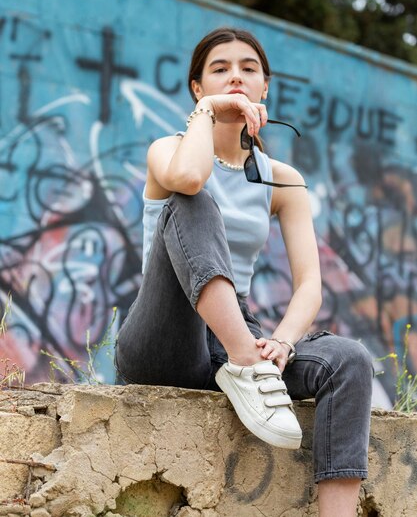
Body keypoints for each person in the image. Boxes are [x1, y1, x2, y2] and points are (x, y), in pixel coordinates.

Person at [115, 27, 373, 517]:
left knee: (349, 359)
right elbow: (189, 179)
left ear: (265, 87)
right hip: (166, 332)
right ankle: (246, 368)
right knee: (193, 202)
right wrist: (210, 114)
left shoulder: (282, 179)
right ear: (197, 88)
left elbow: (310, 285)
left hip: (239, 337)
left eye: (248, 69)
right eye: (220, 69)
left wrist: (285, 341)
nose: (236, 77)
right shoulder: (166, 150)